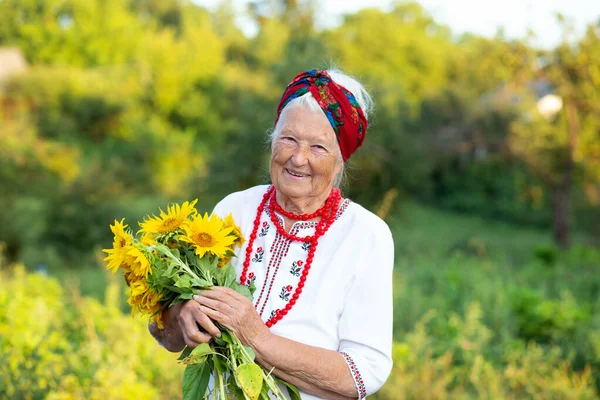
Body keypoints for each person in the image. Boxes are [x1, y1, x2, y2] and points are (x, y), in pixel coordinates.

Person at [149, 69, 394, 399]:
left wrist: (254, 335)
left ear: (340, 162)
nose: (298, 158)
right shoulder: (234, 209)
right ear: (272, 140)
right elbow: (164, 333)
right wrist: (181, 314)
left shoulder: (366, 236)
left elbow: (362, 374)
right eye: (288, 139)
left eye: (318, 147)